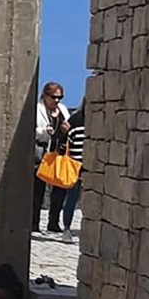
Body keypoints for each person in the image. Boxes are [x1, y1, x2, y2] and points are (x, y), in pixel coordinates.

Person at [33, 82, 69, 232]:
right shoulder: (37, 109)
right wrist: (43, 131)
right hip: (42, 152)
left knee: (60, 187)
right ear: (46, 96)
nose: (57, 101)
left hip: (59, 153)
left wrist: (66, 129)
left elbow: (68, 125)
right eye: (54, 97)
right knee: (38, 189)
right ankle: (34, 222)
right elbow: (31, 129)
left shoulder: (63, 109)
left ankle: (53, 221)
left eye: (60, 97)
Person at [46, 101, 85, 241]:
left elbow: (64, 142)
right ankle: (68, 228)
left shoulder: (74, 122)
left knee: (71, 199)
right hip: (78, 167)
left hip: (74, 165)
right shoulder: (80, 123)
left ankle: (67, 229)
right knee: (73, 199)